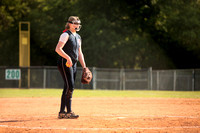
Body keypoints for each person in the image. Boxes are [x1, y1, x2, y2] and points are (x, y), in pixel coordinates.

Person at [55, 16, 86, 119]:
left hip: (74, 63)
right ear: (69, 24)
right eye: (75, 23)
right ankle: (69, 112)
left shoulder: (78, 37)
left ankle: (62, 112)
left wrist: (84, 67)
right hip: (65, 62)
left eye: (78, 23)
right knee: (71, 86)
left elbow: (79, 53)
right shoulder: (65, 34)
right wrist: (67, 58)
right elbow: (58, 49)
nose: (77, 25)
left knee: (67, 87)